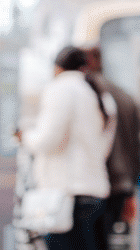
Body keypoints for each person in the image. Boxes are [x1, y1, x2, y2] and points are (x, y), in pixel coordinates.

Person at [19, 46, 117, 250]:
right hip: (96, 192)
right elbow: (104, 148)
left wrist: (25, 137)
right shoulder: (99, 94)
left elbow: (47, 139)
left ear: (57, 67)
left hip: (68, 196)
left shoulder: (61, 89)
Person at [83, 47, 140, 250]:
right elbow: (136, 145)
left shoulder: (89, 95)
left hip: (98, 183)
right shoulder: (125, 95)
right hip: (122, 184)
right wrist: (132, 185)